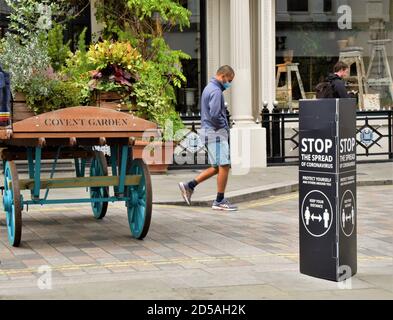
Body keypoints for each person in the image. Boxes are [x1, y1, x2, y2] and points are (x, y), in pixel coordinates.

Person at [178, 65, 238, 211]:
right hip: (216, 132)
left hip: (208, 132)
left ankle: (189, 185)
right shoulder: (216, 91)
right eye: (229, 80)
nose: (228, 84)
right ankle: (219, 200)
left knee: (217, 167)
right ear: (223, 76)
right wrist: (224, 127)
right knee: (224, 165)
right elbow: (215, 115)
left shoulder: (208, 87)